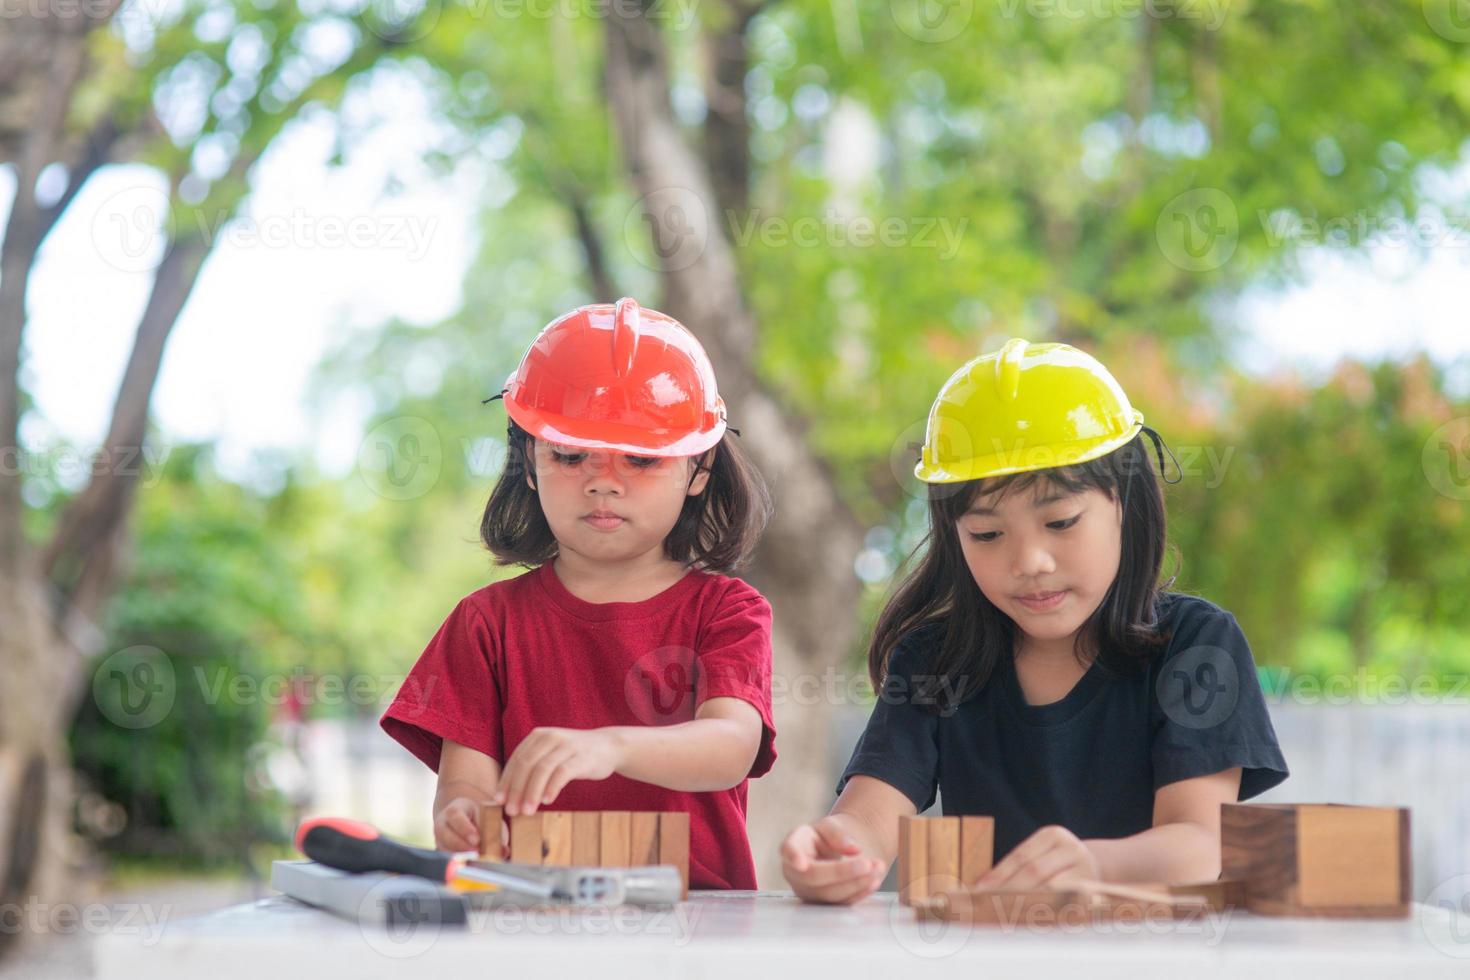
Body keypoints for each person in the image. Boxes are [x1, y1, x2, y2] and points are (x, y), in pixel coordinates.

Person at [781, 338, 1289, 904]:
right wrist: (835, 851)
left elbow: (1200, 845)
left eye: (1062, 522)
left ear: (1124, 501)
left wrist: (1091, 862)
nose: (1029, 563)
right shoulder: (933, 659)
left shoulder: (1195, 646)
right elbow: (869, 821)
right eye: (988, 535)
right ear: (954, 536)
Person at [381, 297, 776, 889]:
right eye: (569, 454)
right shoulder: (485, 623)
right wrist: (461, 817)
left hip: (697, 928)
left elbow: (731, 747)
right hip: (531, 923)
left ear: (699, 469)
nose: (602, 482)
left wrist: (611, 748)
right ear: (530, 462)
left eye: (641, 459)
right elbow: (465, 785)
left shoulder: (729, 612)